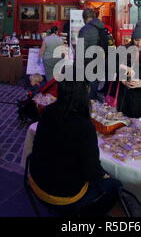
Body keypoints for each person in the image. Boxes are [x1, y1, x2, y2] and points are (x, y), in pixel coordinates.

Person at [29, 79, 122, 216]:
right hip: (63, 194)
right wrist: (105, 175)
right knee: (116, 185)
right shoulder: (84, 126)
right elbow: (92, 172)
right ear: (83, 95)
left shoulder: (48, 111)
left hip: (36, 179)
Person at [117, 21, 141, 118]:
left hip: (139, 99)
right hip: (122, 96)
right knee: (120, 124)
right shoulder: (123, 49)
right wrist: (122, 73)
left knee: (135, 127)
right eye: (137, 40)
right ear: (132, 38)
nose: (139, 44)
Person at [77, 8, 106, 101]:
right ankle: (95, 104)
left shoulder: (85, 30)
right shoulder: (102, 26)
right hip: (100, 59)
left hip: (88, 61)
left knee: (87, 87)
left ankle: (89, 106)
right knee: (95, 83)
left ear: (84, 18)